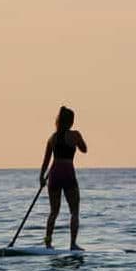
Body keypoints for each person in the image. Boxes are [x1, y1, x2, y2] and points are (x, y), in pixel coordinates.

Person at [39, 106, 88, 250]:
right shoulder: (75, 135)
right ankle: (73, 244)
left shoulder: (52, 138)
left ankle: (48, 243)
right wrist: (77, 140)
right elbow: (84, 149)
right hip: (67, 173)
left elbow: (46, 161)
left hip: (54, 174)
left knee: (53, 211)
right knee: (74, 211)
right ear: (71, 121)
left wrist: (41, 177)